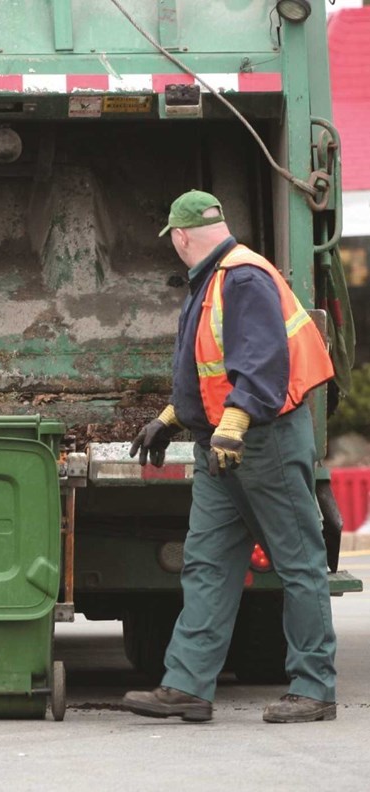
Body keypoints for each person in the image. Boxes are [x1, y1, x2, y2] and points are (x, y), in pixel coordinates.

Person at [123, 190, 337, 724]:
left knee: (298, 564)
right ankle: (188, 685)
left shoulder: (242, 278)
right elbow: (212, 370)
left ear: (180, 236)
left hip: (261, 441)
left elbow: (262, 364)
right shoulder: (217, 280)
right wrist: (170, 419)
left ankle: (315, 688)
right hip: (225, 446)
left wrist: (233, 428)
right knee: (208, 565)